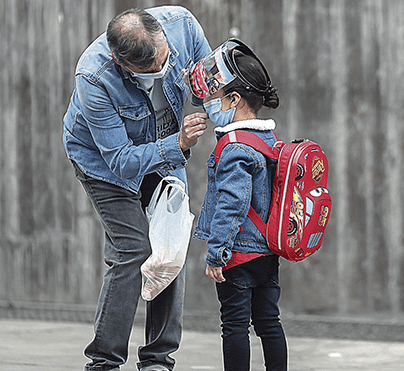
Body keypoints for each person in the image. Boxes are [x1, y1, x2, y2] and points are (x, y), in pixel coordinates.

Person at [62, 6, 211, 371]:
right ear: (119, 61)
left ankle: (158, 361)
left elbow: (213, 87)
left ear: (162, 35)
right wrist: (177, 144)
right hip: (105, 163)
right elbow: (123, 161)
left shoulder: (182, 26)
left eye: (165, 61)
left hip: (166, 146)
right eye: (150, 70)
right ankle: (104, 361)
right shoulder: (94, 78)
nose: (162, 71)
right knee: (133, 249)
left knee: (170, 247)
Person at [190, 39, 288, 371]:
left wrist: (217, 253)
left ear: (234, 99)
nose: (208, 105)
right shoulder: (267, 140)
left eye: (214, 98)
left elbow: (232, 204)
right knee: (269, 322)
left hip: (238, 254)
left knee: (234, 326)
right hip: (267, 251)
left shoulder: (233, 146)